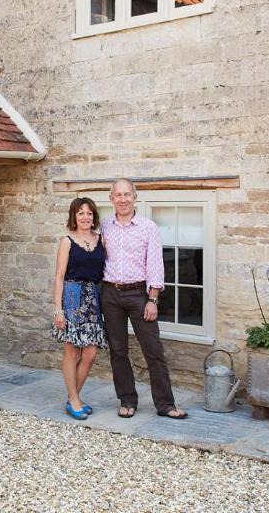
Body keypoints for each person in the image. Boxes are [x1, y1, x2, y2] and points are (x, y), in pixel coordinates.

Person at [100, 178, 188, 419]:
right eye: (118, 195)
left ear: (135, 197)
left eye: (127, 194)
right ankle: (127, 400)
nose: (123, 199)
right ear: (111, 199)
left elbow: (155, 265)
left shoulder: (148, 227)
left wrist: (153, 299)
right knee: (118, 351)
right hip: (110, 294)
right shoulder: (104, 226)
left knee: (153, 350)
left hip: (139, 295)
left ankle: (165, 404)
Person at [50, 197, 107, 420]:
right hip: (72, 296)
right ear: (74, 216)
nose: (85, 217)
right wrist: (58, 310)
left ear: (94, 217)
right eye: (81, 213)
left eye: (89, 213)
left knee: (91, 352)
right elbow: (59, 277)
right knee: (72, 350)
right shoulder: (67, 241)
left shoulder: (101, 239)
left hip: (93, 297)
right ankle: (74, 400)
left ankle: (73, 397)